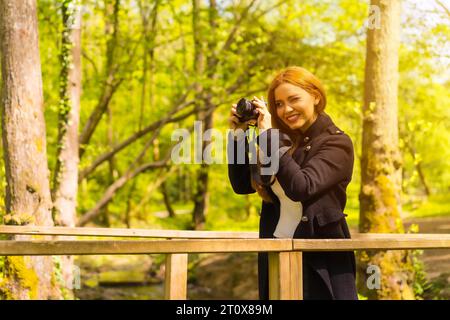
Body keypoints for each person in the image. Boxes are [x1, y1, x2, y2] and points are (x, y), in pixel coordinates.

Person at [227, 66, 358, 300]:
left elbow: (301, 187)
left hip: (320, 262)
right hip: (276, 253)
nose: (286, 110)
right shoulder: (284, 141)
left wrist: (268, 136)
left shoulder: (337, 143)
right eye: (278, 104)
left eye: (294, 99)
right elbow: (241, 185)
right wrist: (239, 136)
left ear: (316, 97)